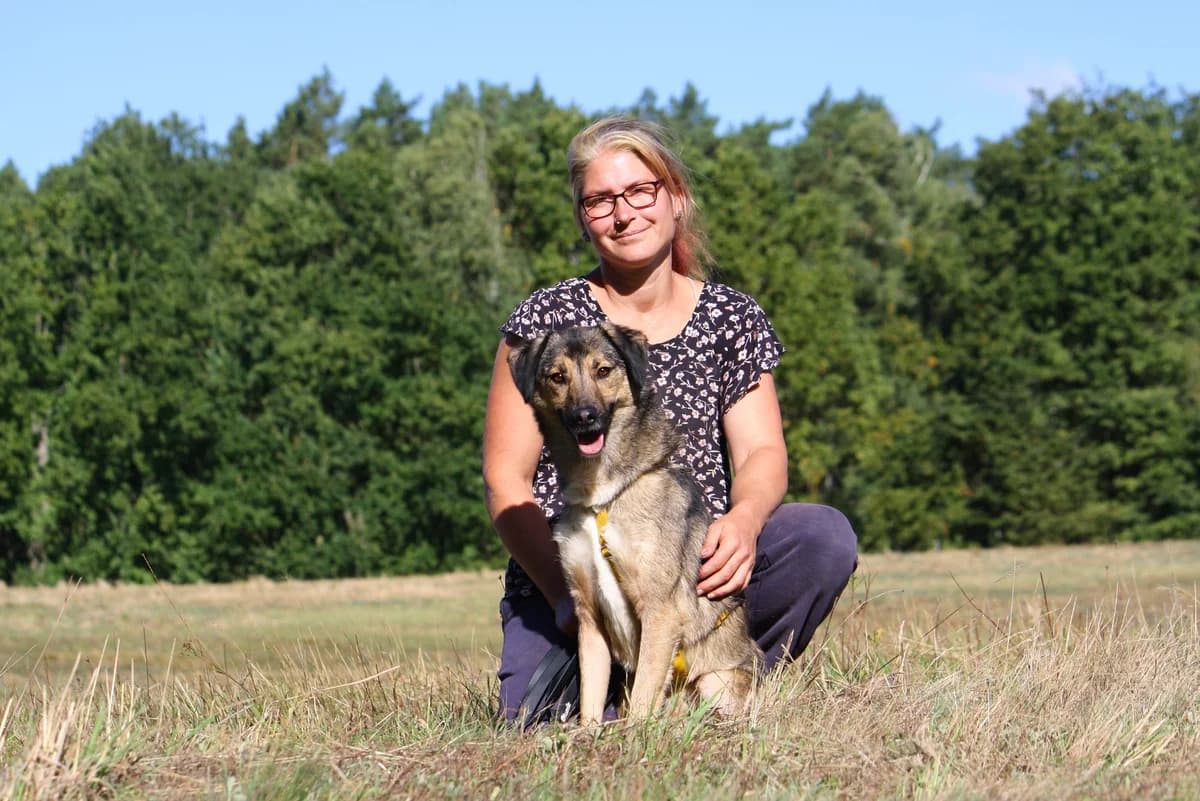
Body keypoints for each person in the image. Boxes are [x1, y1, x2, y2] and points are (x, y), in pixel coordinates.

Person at [482, 117, 858, 722]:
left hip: (696, 568)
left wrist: (744, 520)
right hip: (573, 577)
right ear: (582, 216)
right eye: (600, 200)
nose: (622, 213)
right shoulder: (547, 318)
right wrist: (564, 597)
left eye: (639, 191)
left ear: (675, 196)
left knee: (821, 537)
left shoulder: (731, 316)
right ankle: (623, 699)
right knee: (532, 718)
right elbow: (505, 479)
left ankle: (717, 679)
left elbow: (763, 453)